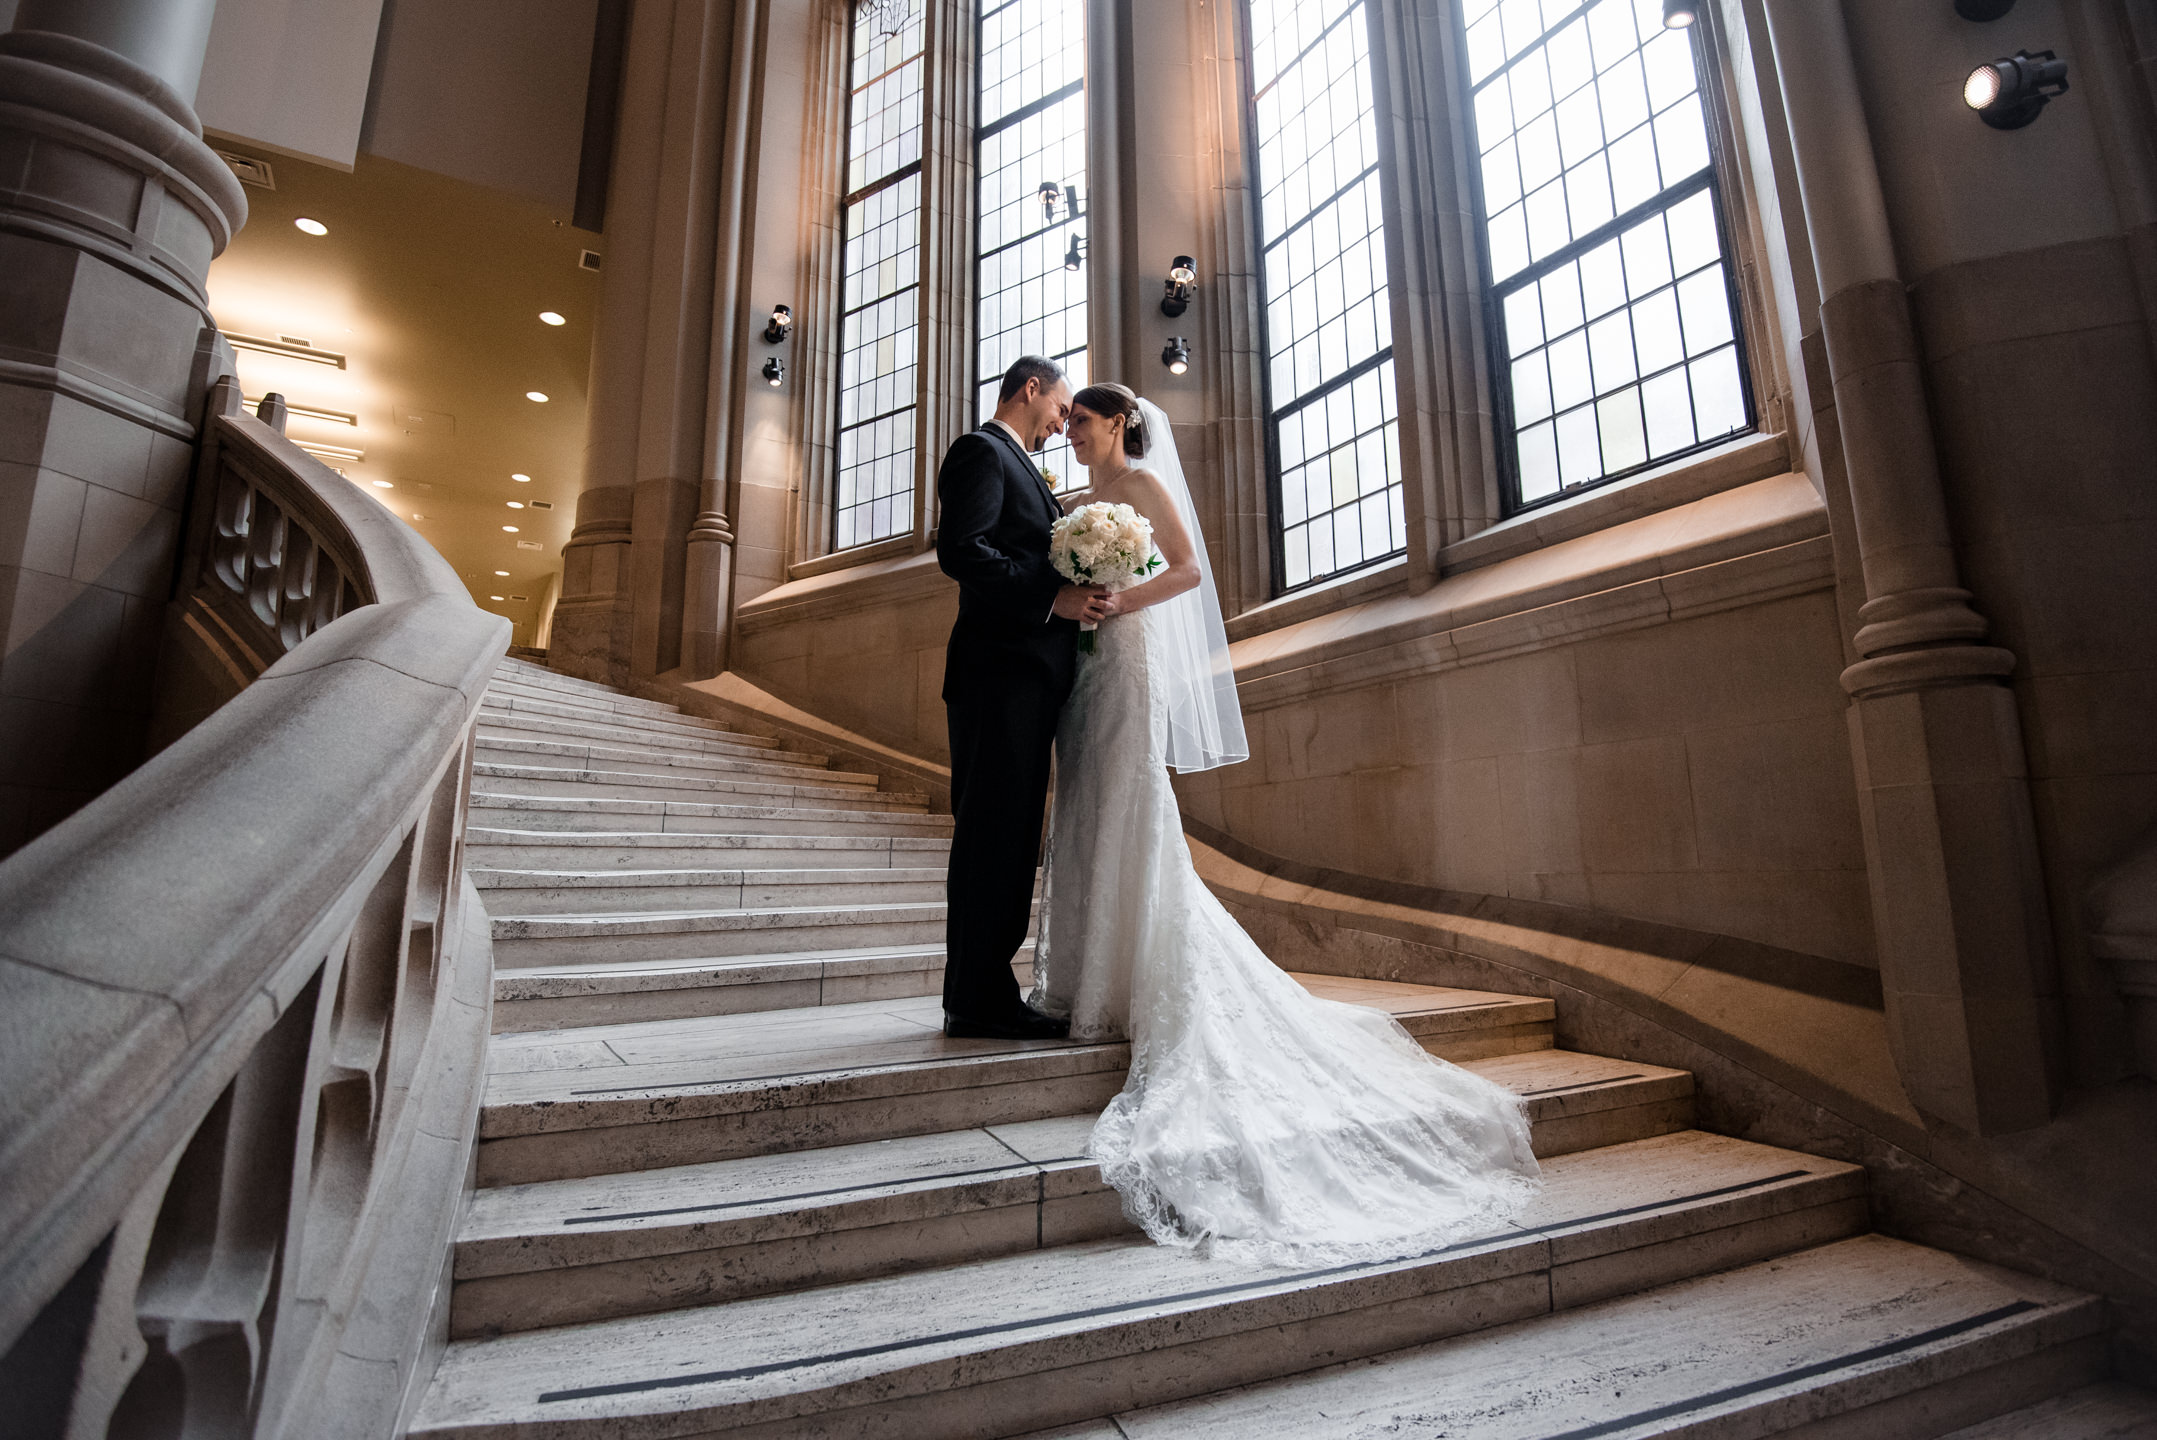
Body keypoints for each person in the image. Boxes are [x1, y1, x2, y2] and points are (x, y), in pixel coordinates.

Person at [1033, 382, 1542, 1266]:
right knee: (1086, 802)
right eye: (1068, 420)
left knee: (1131, 798)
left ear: (1118, 423)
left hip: (1132, 657)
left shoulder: (1144, 488)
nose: (1069, 431)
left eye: (1081, 420)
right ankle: (1090, 973)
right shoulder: (1079, 503)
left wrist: (1123, 601)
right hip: (1088, 670)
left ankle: (1138, 971)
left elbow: (1187, 572)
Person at [933, 356, 1107, 1040]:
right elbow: (961, 550)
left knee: (1008, 839)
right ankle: (977, 999)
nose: (1062, 422)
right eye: (1060, 408)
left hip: (1023, 679)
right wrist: (1050, 598)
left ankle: (980, 990)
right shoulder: (981, 450)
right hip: (996, 676)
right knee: (991, 838)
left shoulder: (1021, 463)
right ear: (1029, 389)